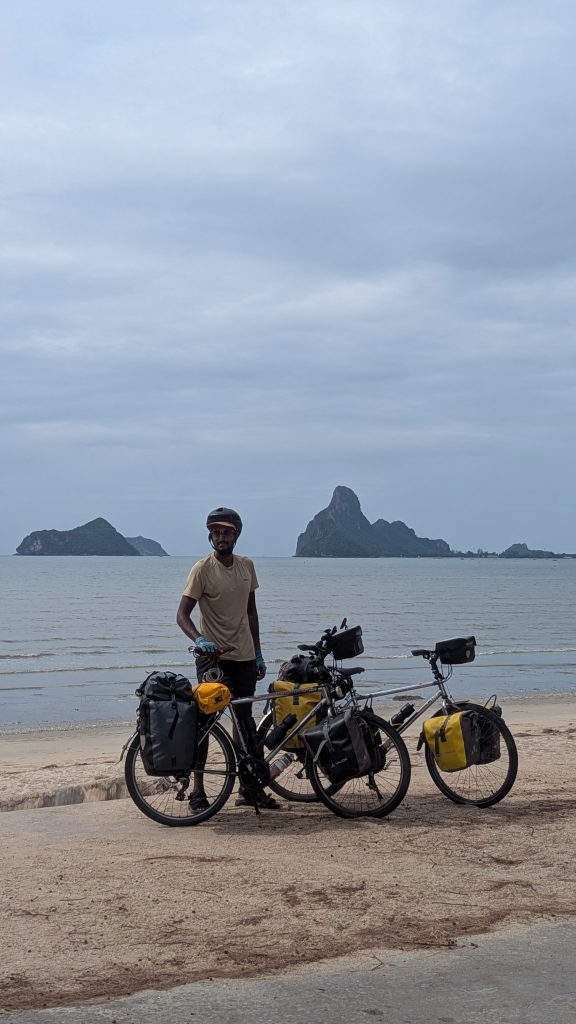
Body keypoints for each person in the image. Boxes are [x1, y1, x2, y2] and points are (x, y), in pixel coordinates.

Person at [176, 506, 280, 811]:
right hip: (213, 660)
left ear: (237, 535)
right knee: (206, 724)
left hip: (245, 657)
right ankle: (198, 792)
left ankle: (249, 790)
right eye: (216, 532)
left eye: (227, 532)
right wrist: (200, 639)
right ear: (210, 536)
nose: (221, 537)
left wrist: (259, 652)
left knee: (246, 724)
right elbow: (182, 615)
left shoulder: (247, 566)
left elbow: (251, 612)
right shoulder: (202, 569)